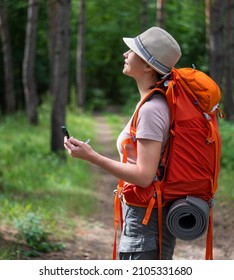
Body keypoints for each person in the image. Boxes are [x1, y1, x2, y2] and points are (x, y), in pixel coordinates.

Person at [64, 26, 182, 260]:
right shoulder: (151, 103)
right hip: (144, 218)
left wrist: (92, 157)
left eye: (132, 51)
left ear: (148, 66)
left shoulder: (151, 109)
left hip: (147, 223)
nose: (125, 54)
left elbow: (144, 176)